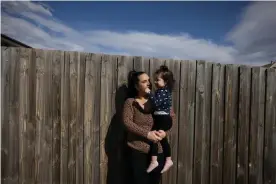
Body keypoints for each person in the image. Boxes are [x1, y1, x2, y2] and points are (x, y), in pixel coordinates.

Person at [122, 70, 175, 184]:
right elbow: (127, 122)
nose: (149, 83)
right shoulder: (130, 102)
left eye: (149, 81)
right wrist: (147, 134)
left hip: (158, 151)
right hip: (138, 151)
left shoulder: (158, 100)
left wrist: (165, 133)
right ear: (137, 85)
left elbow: (169, 120)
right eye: (144, 81)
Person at [145, 65, 175, 173]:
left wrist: (149, 93)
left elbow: (156, 104)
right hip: (160, 118)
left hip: (163, 118)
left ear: (166, 82)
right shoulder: (160, 91)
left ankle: (155, 161)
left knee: (155, 138)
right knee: (160, 139)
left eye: (158, 80)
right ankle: (166, 160)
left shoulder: (163, 91)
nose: (155, 82)